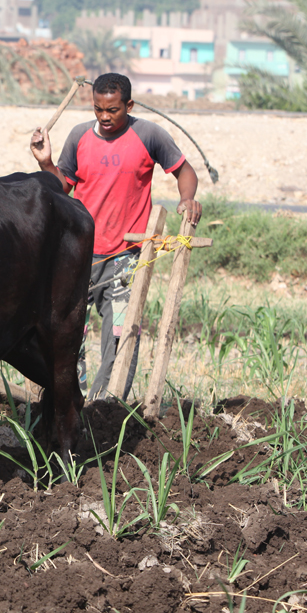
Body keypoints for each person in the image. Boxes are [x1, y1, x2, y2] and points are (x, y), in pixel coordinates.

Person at [29, 72, 201, 401]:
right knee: (65, 332)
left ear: (129, 105)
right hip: (78, 255)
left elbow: (185, 171)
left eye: (113, 110)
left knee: (120, 334)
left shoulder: (149, 135)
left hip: (125, 259)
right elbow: (62, 187)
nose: (105, 117)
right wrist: (46, 162)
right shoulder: (79, 136)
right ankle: (67, 401)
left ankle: (105, 404)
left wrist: (187, 199)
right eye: (98, 109)